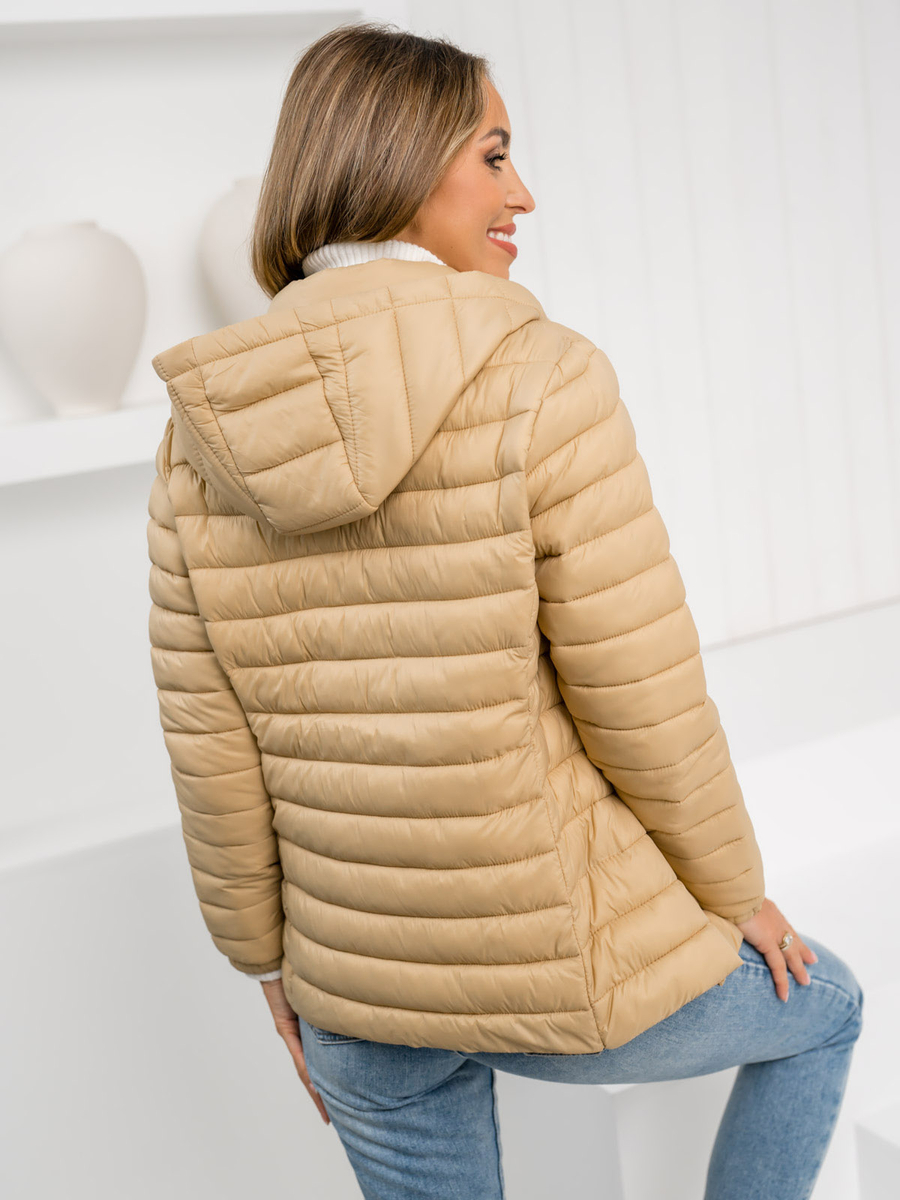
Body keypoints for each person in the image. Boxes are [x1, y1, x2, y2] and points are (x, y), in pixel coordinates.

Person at [146, 20, 863, 1200]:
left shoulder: (200, 433)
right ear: (399, 159)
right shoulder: (546, 376)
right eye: (492, 154)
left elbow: (210, 750)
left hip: (353, 992)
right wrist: (740, 897)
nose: (521, 191)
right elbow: (643, 697)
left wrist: (269, 970)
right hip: (556, 968)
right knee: (824, 1008)